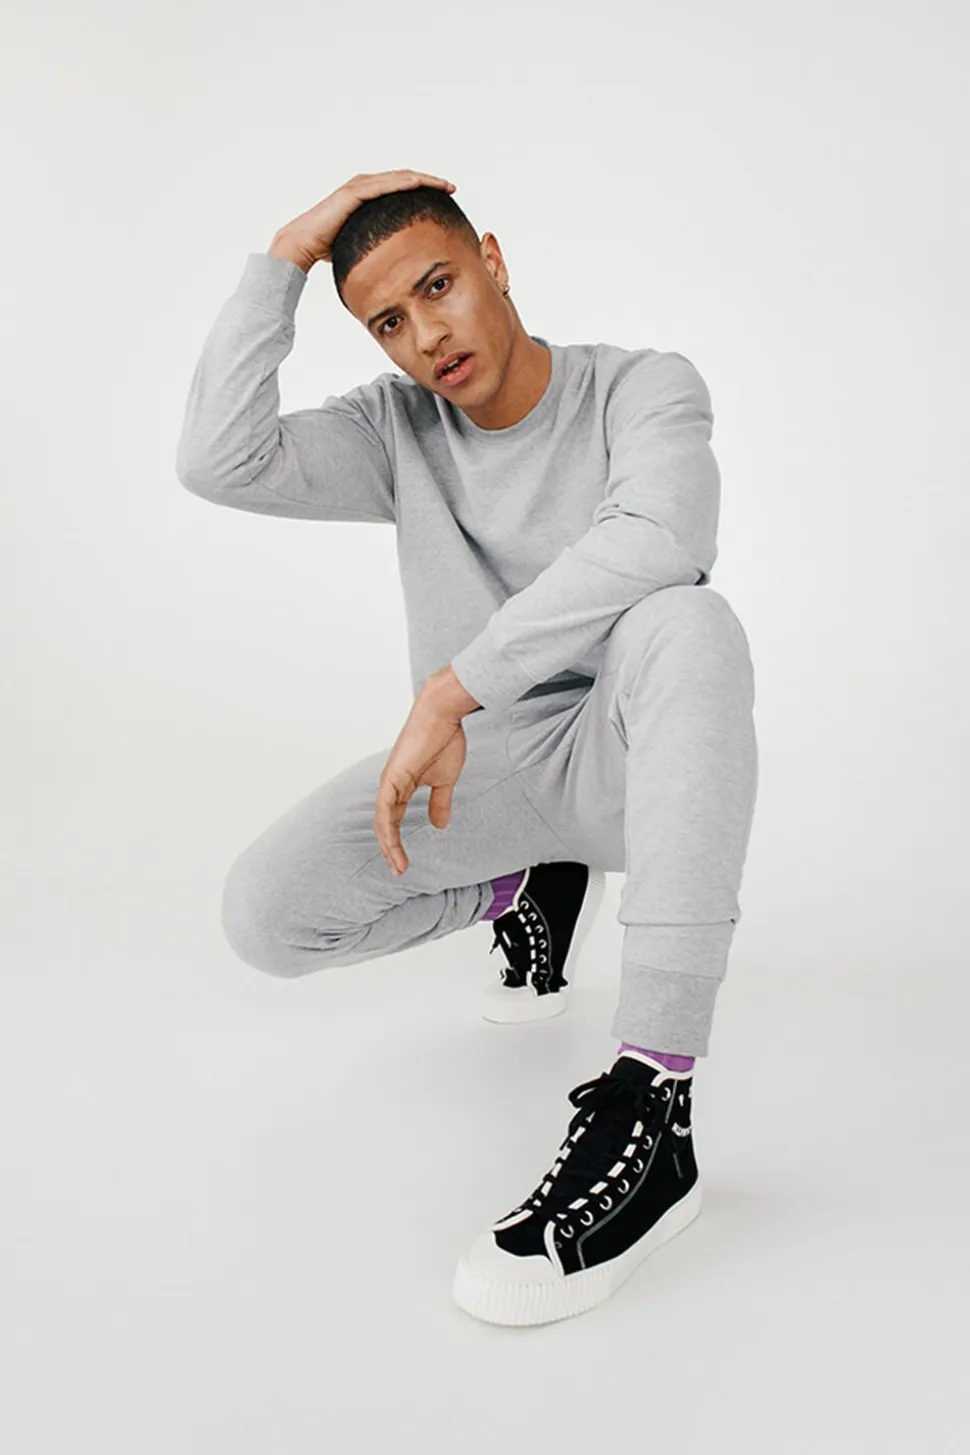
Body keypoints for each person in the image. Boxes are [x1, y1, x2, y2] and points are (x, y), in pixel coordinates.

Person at [175, 169, 759, 1328]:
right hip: (488, 778)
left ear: (491, 259)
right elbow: (217, 461)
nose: (425, 337)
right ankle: (523, 887)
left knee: (690, 624)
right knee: (265, 915)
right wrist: (284, 259)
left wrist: (455, 688)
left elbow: (660, 536)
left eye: (438, 287)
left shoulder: (642, 388)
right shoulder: (393, 430)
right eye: (388, 322)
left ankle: (655, 1103)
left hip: (628, 759)